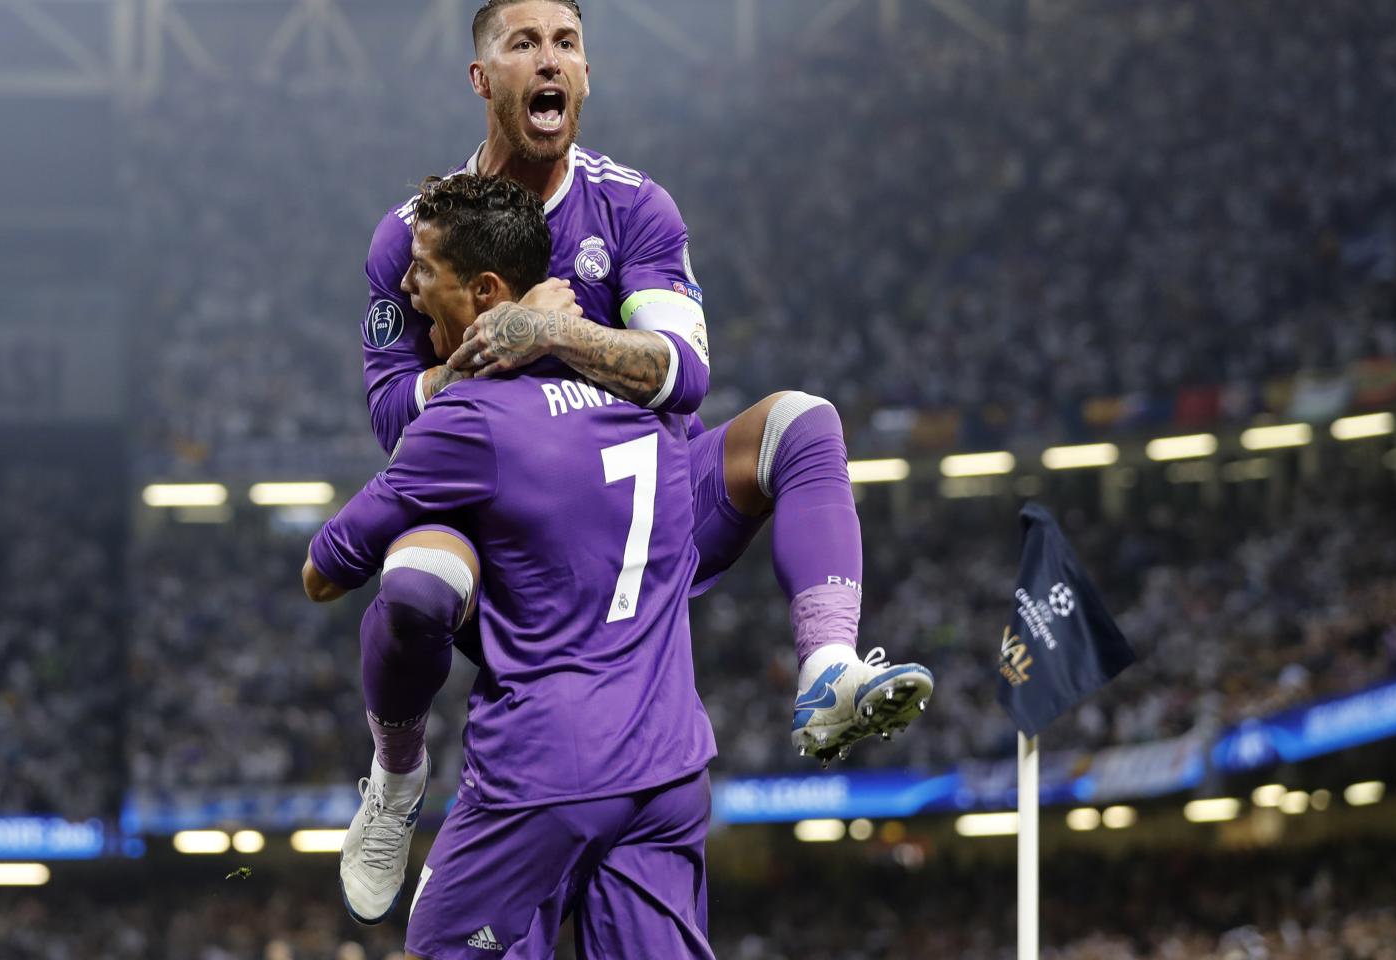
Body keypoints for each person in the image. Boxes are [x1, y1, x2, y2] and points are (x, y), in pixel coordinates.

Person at [343, 0, 933, 923]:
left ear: (585, 74)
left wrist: (548, 334)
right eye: (525, 43)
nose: (551, 60)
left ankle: (827, 672)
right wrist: (479, 361)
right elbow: (390, 411)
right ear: (482, 78)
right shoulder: (413, 236)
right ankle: (395, 774)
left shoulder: (633, 207)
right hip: (504, 523)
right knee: (415, 583)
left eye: (568, 44)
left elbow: (686, 374)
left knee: (801, 424)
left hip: (643, 509)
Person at [306, 173, 717, 959]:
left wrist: (457, 384)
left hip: (545, 769)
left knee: (416, 584)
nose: (405, 283)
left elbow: (323, 571)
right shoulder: (656, 412)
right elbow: (677, 374)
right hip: (670, 767)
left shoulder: (469, 419)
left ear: (485, 290)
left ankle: (395, 774)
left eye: (424, 269)